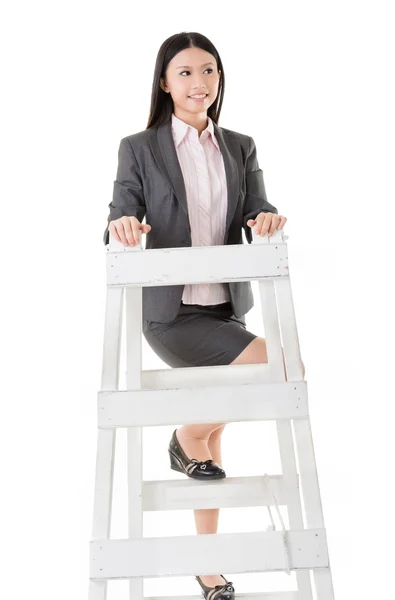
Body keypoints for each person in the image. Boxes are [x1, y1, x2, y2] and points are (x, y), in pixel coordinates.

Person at [104, 31, 305, 600]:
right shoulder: (139, 147)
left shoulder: (239, 146)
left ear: (220, 80)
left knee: (214, 448)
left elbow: (255, 206)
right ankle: (185, 434)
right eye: (186, 72)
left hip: (225, 310)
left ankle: (208, 566)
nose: (200, 83)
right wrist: (124, 227)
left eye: (209, 71)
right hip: (172, 316)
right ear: (165, 83)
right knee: (280, 369)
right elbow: (121, 212)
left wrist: (265, 218)